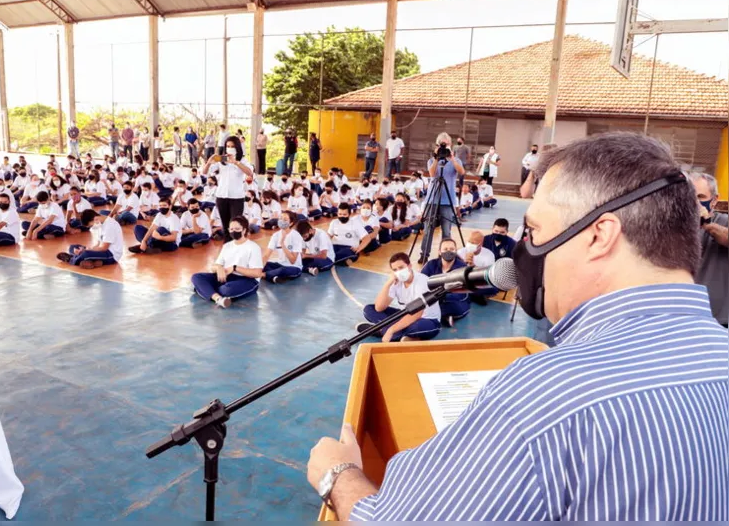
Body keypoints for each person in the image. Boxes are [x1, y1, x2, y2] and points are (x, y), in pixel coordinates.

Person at [307, 132, 729, 521]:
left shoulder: (548, 393)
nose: (526, 253)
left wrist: (338, 475)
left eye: (537, 230)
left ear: (600, 235)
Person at [355, 251, 441, 343]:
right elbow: (379, 308)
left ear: (409, 266)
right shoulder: (396, 281)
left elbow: (417, 314)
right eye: (395, 270)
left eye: (401, 268)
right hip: (405, 315)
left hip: (427, 320)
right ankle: (402, 336)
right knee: (368, 310)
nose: (398, 272)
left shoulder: (422, 282)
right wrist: (388, 284)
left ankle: (380, 331)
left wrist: (391, 330)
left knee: (416, 327)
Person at [191, 216, 263, 308]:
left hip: (247, 280)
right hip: (226, 277)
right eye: (231, 229)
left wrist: (234, 268)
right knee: (197, 277)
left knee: (226, 290)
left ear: (244, 230)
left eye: (237, 229)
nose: (234, 231)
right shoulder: (227, 246)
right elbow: (215, 266)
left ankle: (206, 291)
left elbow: (257, 273)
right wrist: (219, 268)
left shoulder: (253, 247)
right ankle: (218, 298)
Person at [691, 172, 728, 326]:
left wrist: (706, 224)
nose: (694, 202)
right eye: (690, 196)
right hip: (687, 317)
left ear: (714, 200)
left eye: (700, 197)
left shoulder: (723, 222)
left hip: (720, 320)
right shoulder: (676, 227)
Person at [204, 135, 254, 242]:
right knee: (226, 226)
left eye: (232, 146)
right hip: (221, 196)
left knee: (235, 226)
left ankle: (237, 247)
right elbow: (205, 172)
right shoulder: (221, 159)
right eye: (228, 146)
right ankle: (226, 248)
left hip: (236, 197)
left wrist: (236, 162)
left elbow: (249, 173)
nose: (230, 148)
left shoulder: (242, 159)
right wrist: (209, 162)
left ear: (237, 147)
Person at [423, 134, 465, 255]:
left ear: (450, 145)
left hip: (448, 200)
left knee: (446, 230)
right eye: (441, 144)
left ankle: (445, 254)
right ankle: (424, 254)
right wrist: (436, 158)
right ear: (437, 145)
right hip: (432, 199)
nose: (444, 147)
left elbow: (462, 172)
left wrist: (451, 158)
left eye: (446, 144)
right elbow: (432, 174)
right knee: (428, 230)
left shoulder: (456, 161)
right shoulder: (431, 160)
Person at [419, 238, 470, 326]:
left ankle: (434, 316)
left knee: (456, 307)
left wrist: (442, 297)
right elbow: (420, 282)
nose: (448, 251)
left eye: (452, 249)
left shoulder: (463, 268)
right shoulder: (431, 264)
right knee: (420, 303)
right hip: (432, 299)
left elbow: (463, 294)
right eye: (445, 249)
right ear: (439, 252)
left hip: (451, 301)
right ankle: (444, 317)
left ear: (455, 251)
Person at [57, 209, 123, 269]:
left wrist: (87, 250)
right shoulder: (100, 224)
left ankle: (71, 259)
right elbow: (98, 244)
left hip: (111, 254)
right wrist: (86, 249)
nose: (91, 227)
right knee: (72, 247)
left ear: (95, 219)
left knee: (86, 254)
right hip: (102, 251)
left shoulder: (110, 225)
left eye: (91, 225)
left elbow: (104, 248)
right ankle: (92, 260)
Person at [261, 212, 304, 284]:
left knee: (282, 270)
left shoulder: (296, 236)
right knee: (264, 264)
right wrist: (259, 267)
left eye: (285, 219)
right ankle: (273, 277)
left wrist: (282, 244)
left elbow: (292, 260)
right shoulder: (275, 235)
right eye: (280, 218)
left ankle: (263, 275)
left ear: (291, 223)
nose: (281, 221)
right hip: (280, 263)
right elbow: (266, 255)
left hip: (294, 267)